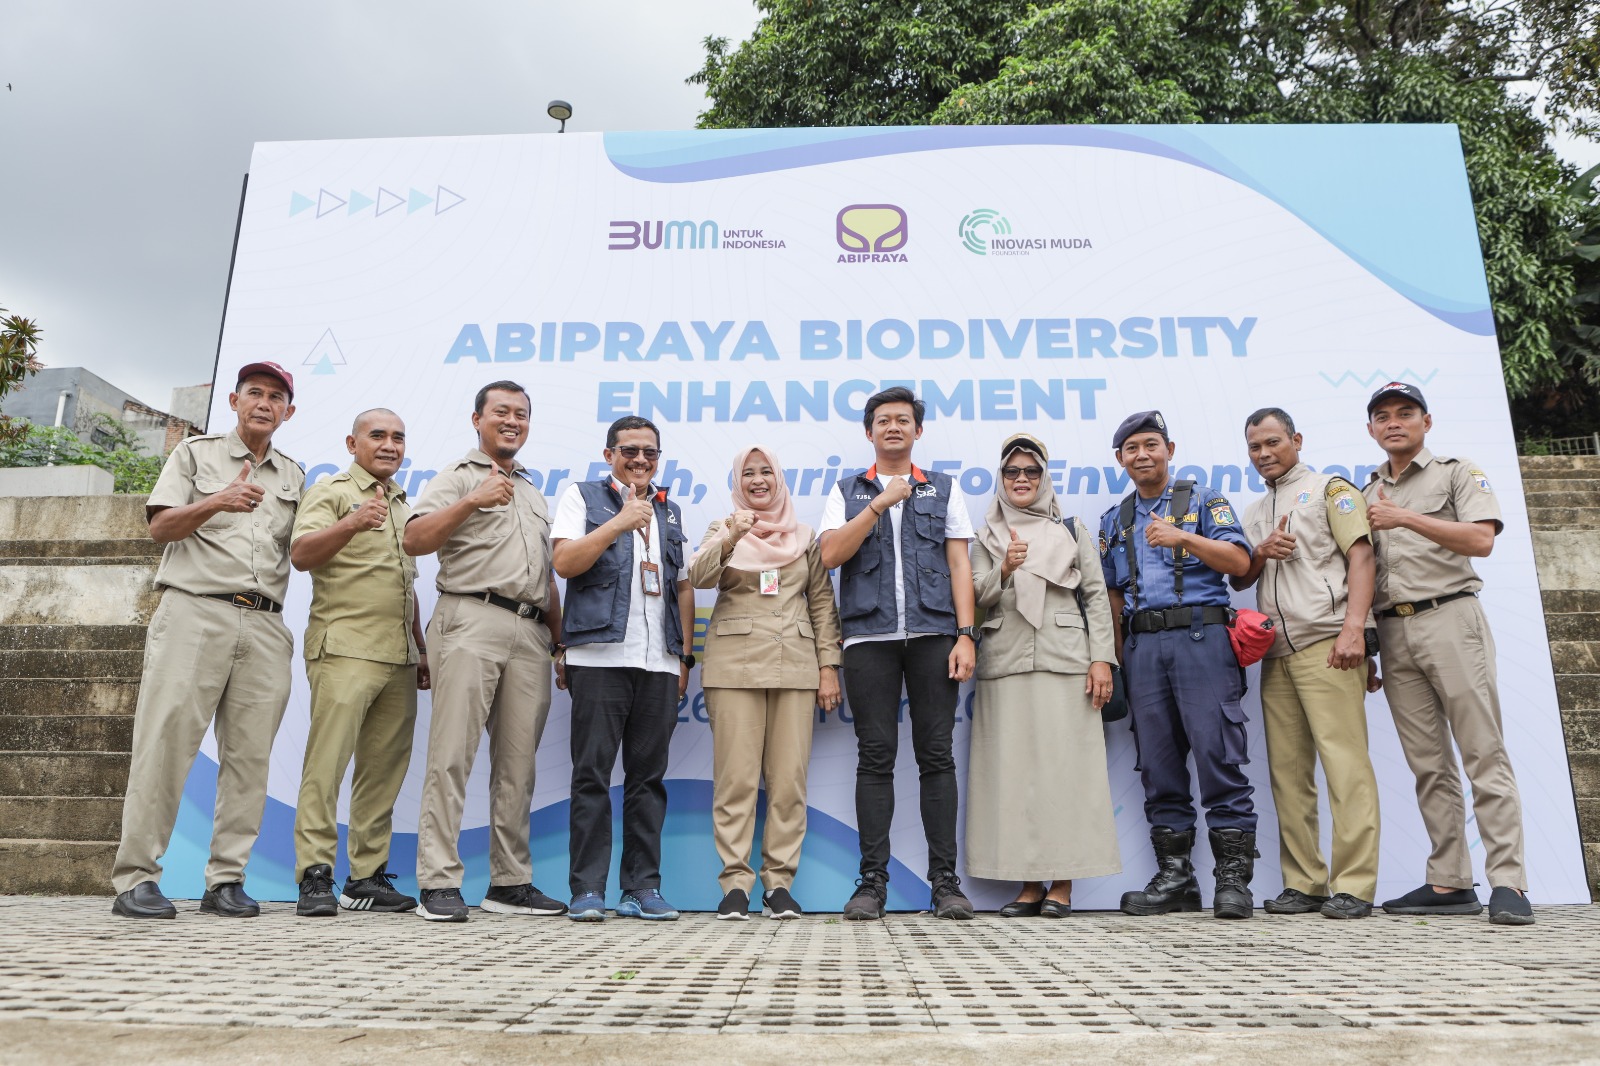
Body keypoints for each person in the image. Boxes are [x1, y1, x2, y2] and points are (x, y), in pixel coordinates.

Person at [110, 362, 302, 919]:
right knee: (165, 745)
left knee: (251, 756)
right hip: (195, 611)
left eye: (275, 397)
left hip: (265, 622)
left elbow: (305, 548)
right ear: (234, 402)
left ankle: (226, 879)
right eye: (254, 394)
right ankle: (137, 878)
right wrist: (215, 501)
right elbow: (160, 528)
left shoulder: (293, 475)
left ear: (289, 411)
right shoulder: (194, 456)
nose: (264, 403)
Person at [1361, 382, 1533, 926]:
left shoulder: (1458, 472)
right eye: (1383, 416)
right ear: (1371, 429)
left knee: (1483, 751)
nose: (1394, 423)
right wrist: (1364, 640)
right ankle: (1450, 880)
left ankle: (1509, 882)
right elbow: (1362, 573)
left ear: (1426, 421)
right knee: (1428, 763)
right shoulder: (1365, 493)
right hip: (1393, 631)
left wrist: (1406, 518)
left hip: (1451, 618)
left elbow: (1482, 540)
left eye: (1405, 413)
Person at [403, 380, 566, 923]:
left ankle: (510, 881)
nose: (513, 421)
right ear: (478, 419)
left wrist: (559, 643)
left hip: (530, 630)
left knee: (518, 766)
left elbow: (547, 575)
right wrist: (473, 500)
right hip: (470, 616)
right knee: (452, 755)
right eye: (502, 412)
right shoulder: (457, 477)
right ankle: (439, 880)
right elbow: (415, 539)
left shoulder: (534, 493)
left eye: (522, 413)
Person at [819, 386, 979, 921]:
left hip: (935, 636)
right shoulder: (847, 490)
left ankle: (945, 883)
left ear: (918, 430)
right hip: (869, 640)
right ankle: (872, 883)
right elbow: (830, 554)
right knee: (875, 757)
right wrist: (879, 506)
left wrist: (965, 635)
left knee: (937, 756)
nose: (894, 427)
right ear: (869, 432)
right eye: (883, 420)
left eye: (903, 420)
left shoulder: (943, 489)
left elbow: (960, 566)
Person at [1097, 410, 1258, 919]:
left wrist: (1183, 538)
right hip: (1143, 649)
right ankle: (1176, 879)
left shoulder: (1203, 500)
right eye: (1132, 449)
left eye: (1151, 445)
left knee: (1218, 756)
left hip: (1201, 637)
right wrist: (1117, 660)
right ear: (1120, 459)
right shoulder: (1114, 520)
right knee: (1158, 765)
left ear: (1169, 449)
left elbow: (1240, 566)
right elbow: (1113, 599)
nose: (1142, 455)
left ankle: (1234, 883)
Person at [1233, 407, 1381, 920]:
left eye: (1273, 442)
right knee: (1288, 775)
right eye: (1254, 447)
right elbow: (1242, 577)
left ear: (1296, 438)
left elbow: (1361, 557)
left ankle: (1355, 885)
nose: (1264, 453)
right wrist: (1259, 551)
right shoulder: (1253, 510)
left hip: (1329, 644)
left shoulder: (1329, 489)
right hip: (1276, 653)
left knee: (1345, 767)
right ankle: (1305, 883)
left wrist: (1355, 630)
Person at [967, 433, 1120, 917]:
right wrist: (1005, 571)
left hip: (1067, 660)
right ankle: (1029, 885)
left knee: (1065, 775)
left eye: (1031, 471)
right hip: (1006, 662)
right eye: (1012, 472)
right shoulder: (985, 535)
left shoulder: (1072, 530)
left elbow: (1096, 596)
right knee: (1015, 777)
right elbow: (973, 597)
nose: (1022, 480)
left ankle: (1063, 884)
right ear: (1001, 477)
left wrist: (1102, 660)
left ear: (1044, 476)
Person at [551, 415, 696, 922]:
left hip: (658, 661)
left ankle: (642, 887)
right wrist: (618, 522)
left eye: (650, 453)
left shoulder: (670, 511)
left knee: (647, 779)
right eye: (629, 451)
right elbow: (565, 563)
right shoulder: (582, 497)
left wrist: (683, 657)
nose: (640, 460)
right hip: (599, 656)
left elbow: (680, 587)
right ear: (610, 453)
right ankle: (587, 888)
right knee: (591, 775)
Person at [689, 446, 843, 920]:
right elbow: (698, 575)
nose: (758, 481)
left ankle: (779, 885)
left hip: (795, 667)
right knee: (735, 781)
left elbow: (820, 603)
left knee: (788, 783)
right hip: (734, 667)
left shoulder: (804, 536)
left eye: (766, 473)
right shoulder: (723, 527)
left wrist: (828, 667)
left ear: (779, 479)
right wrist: (734, 534)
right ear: (738, 481)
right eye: (748, 474)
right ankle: (735, 883)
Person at [289, 408, 428, 917]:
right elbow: (302, 554)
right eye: (378, 435)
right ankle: (314, 876)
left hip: (399, 656)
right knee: (325, 767)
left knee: (382, 771)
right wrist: (351, 521)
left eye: (398, 436)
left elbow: (404, 584)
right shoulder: (331, 492)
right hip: (344, 649)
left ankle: (364, 878)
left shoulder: (402, 503)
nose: (390, 444)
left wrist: (421, 647)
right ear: (352, 442)